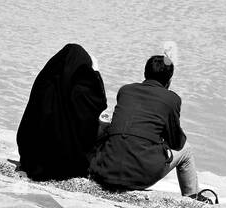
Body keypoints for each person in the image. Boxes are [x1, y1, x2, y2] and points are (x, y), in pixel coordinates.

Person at [89, 54, 207, 199]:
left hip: (104, 171)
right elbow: (176, 142)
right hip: (138, 177)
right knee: (186, 149)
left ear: (145, 73)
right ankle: (192, 198)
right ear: (169, 80)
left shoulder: (125, 90)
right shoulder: (172, 99)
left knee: (110, 130)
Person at [16, 44, 107, 182]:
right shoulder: (80, 92)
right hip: (63, 163)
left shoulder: (45, 81)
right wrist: (96, 73)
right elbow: (99, 107)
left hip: (32, 157)